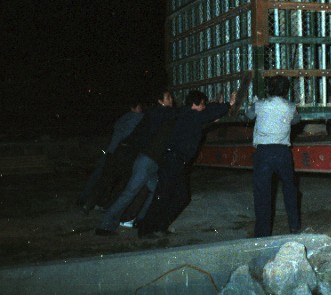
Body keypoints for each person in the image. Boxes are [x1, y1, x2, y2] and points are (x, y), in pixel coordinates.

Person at [135, 89, 236, 238]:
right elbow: (208, 114)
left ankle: (160, 226)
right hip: (172, 161)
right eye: (202, 105)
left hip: (178, 162)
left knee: (182, 197)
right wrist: (229, 104)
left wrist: (213, 115)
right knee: (162, 195)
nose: (204, 108)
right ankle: (145, 229)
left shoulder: (188, 115)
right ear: (194, 105)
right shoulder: (189, 115)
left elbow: (205, 117)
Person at [94, 89, 175, 236]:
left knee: (156, 190)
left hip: (149, 161)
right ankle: (105, 226)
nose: (172, 99)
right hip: (145, 161)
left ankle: (141, 221)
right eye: (168, 97)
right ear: (160, 101)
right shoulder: (160, 113)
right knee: (130, 193)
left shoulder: (158, 114)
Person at [245, 75, 301, 237]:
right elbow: (296, 121)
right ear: (286, 90)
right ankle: (294, 226)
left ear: (268, 89)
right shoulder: (290, 106)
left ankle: (262, 233)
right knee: (290, 189)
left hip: (264, 152)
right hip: (283, 152)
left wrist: (252, 103)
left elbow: (248, 116)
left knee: (262, 193)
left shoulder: (260, 105)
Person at [77, 101, 145, 212]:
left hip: (111, 152)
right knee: (120, 182)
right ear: (134, 108)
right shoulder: (136, 118)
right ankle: (107, 205)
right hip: (122, 153)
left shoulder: (123, 119)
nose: (141, 109)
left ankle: (88, 202)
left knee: (104, 179)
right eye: (139, 107)